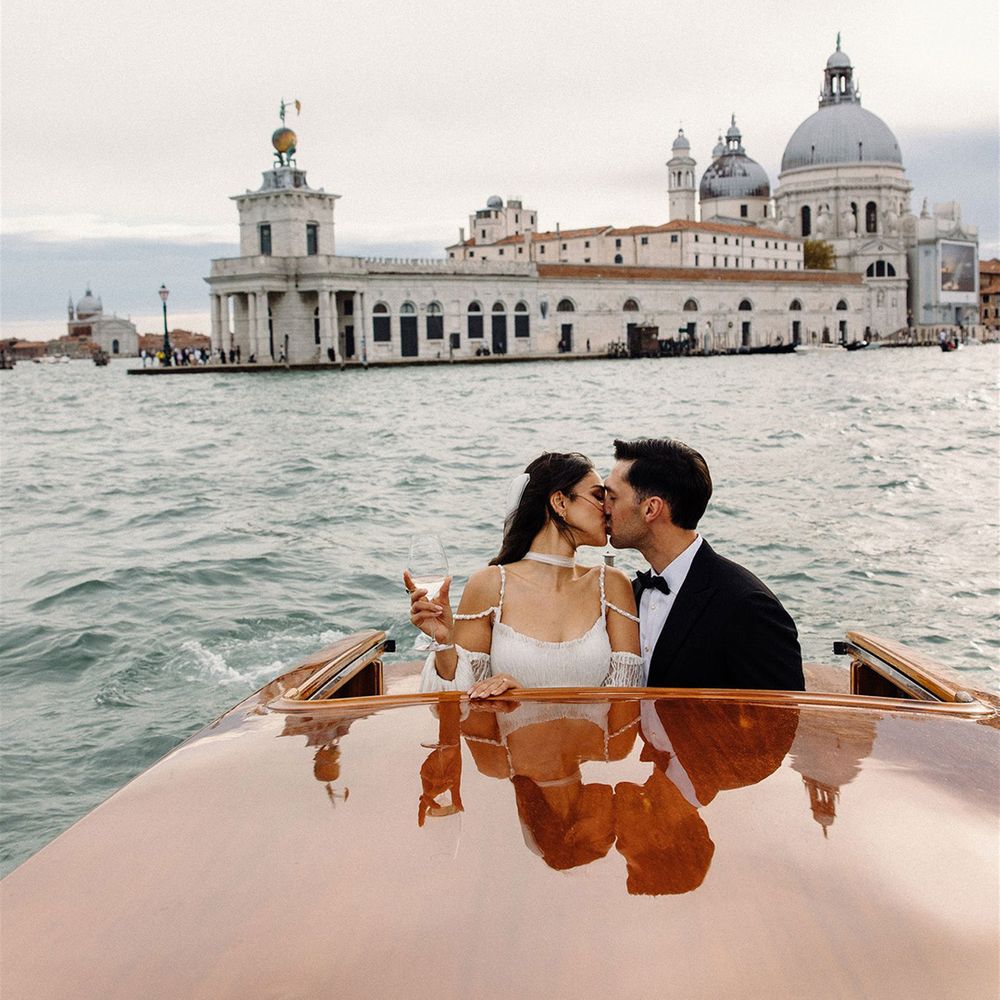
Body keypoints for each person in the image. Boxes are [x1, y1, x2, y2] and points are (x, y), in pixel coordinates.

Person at [407, 452, 642, 698]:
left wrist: (528, 697)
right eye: (597, 496)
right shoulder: (489, 584)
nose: (607, 509)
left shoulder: (612, 584)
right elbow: (464, 704)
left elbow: (627, 699)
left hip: (593, 738)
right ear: (560, 502)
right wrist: (444, 641)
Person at [604, 437, 803, 690]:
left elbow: (783, 717)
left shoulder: (747, 607)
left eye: (612, 497)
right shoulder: (633, 592)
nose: (604, 507)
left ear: (651, 509)